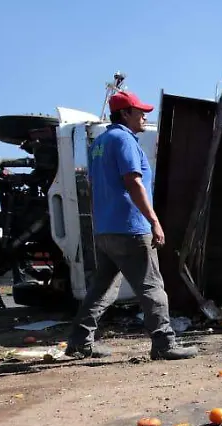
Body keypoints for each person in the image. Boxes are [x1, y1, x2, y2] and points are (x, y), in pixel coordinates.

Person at [65, 91, 196, 360]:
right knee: (151, 287)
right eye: (140, 112)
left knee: (101, 289)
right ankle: (164, 343)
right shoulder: (124, 140)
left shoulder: (99, 143)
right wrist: (154, 221)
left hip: (106, 230)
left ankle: (79, 342)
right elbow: (133, 182)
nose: (144, 117)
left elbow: (92, 185)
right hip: (131, 228)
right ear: (125, 114)